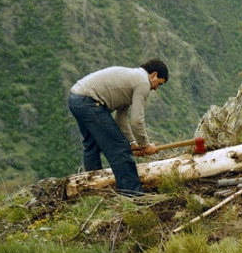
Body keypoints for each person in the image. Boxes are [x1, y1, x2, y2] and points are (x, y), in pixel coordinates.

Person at [68, 59, 169, 195]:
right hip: (90, 102)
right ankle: (133, 195)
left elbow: (121, 118)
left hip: (76, 100)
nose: (156, 88)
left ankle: (93, 190)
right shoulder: (143, 82)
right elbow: (136, 121)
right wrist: (145, 145)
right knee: (120, 149)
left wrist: (133, 143)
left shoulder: (132, 79)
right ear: (153, 75)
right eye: (159, 84)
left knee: (92, 146)